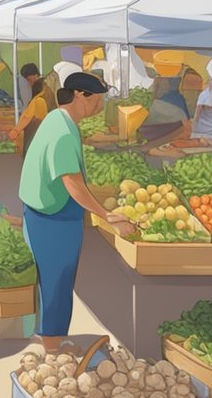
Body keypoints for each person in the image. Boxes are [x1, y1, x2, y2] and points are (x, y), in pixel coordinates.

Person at [19, 73, 135, 353]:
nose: (100, 105)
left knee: (52, 279)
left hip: (44, 210)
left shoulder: (59, 120)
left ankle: (49, 337)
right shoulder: (62, 130)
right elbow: (71, 182)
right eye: (99, 98)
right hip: (53, 215)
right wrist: (107, 216)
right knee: (57, 281)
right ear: (82, 95)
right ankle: (53, 348)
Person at [9, 78, 50, 152]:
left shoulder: (36, 100)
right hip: (35, 136)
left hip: (33, 135)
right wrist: (15, 131)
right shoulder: (39, 100)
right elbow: (27, 117)